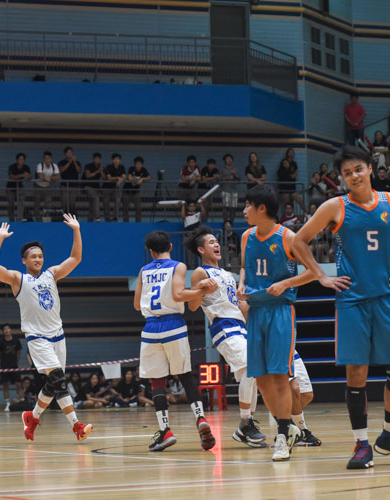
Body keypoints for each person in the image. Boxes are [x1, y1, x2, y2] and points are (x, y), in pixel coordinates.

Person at [292, 145, 390, 469]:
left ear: (370, 168)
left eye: (358, 169)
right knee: (357, 375)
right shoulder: (334, 207)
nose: (353, 176)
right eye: (347, 172)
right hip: (352, 301)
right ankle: (362, 443)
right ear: (342, 177)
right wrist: (321, 276)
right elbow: (298, 241)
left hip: (386, 298)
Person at [0, 215, 93, 442]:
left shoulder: (52, 274)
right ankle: (77, 425)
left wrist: (77, 230)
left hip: (58, 336)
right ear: (24, 260)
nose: (38, 259)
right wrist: (0, 239)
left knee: (53, 384)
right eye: (33, 256)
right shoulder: (17, 279)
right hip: (37, 338)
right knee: (58, 379)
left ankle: (31, 418)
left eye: (40, 256)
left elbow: (76, 257)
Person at [237, 184, 318, 461]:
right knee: (260, 380)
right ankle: (289, 427)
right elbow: (246, 267)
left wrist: (285, 283)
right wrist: (242, 285)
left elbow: (313, 272)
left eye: (248, 205)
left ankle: (283, 434)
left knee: (280, 377)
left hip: (281, 311)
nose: (245, 210)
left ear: (262, 208)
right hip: (256, 311)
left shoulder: (289, 237)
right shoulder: (246, 236)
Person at [133, 230, 217, 452]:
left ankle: (165, 431)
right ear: (170, 246)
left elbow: (136, 305)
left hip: (150, 328)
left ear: (150, 251)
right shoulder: (178, 266)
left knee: (157, 381)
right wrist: (201, 290)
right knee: (185, 375)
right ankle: (200, 419)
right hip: (173, 325)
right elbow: (179, 295)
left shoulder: (143, 271)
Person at [185, 226, 267, 448]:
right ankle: (245, 423)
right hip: (222, 326)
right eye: (211, 242)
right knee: (250, 369)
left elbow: (240, 306)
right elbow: (192, 306)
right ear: (201, 249)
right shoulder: (200, 273)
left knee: (255, 376)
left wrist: (249, 302)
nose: (217, 244)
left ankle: (247, 426)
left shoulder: (228, 275)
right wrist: (201, 289)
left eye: (217, 241)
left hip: (240, 325)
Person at [0, 324, 22, 412]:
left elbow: (18, 352)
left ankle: (21, 401)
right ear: (3, 332)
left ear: (10, 330)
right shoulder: (0, 342)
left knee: (19, 384)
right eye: (5, 329)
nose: (7, 330)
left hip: (14, 366)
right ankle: (7, 404)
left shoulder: (16, 340)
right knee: (5, 385)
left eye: (8, 328)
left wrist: (15, 361)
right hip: (4, 367)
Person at [122, 156, 150, 222]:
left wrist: (142, 179)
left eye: (140, 164)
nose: (138, 165)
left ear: (142, 164)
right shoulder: (131, 169)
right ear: (135, 164)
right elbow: (129, 178)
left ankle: (138, 223)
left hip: (136, 192)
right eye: (137, 164)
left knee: (138, 208)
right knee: (125, 208)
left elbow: (149, 178)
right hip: (127, 191)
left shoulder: (144, 170)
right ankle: (126, 223)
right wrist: (138, 180)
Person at [6, 153, 31, 222]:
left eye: (23, 159)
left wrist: (28, 176)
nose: (21, 160)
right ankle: (11, 220)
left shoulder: (26, 167)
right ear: (17, 160)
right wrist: (22, 175)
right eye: (20, 159)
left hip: (20, 187)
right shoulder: (12, 167)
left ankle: (19, 218)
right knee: (11, 204)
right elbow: (11, 176)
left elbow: (29, 177)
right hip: (10, 187)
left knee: (21, 203)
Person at [58, 146, 81, 215]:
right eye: (68, 152)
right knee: (64, 203)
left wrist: (74, 162)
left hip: (74, 186)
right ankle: (63, 217)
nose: (70, 154)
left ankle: (72, 218)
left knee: (72, 204)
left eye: (71, 152)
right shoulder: (62, 162)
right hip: (64, 186)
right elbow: (61, 170)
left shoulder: (77, 162)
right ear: (65, 154)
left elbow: (79, 171)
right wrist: (70, 162)